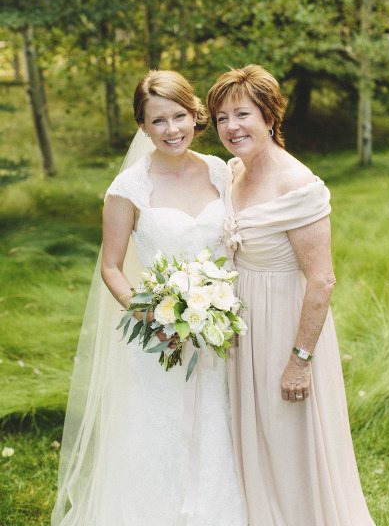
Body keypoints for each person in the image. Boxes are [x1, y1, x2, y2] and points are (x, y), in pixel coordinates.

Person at [52, 70, 247, 526]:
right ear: (142, 126)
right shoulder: (128, 189)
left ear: (195, 114)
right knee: (158, 435)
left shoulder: (220, 171)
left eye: (179, 116)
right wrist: (153, 318)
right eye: (158, 120)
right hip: (161, 340)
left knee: (217, 427)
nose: (171, 129)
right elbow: (111, 267)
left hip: (219, 335)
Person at [207, 64, 375, 526]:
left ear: (269, 116)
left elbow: (322, 279)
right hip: (243, 328)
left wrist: (300, 360)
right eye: (222, 118)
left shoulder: (297, 183)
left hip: (285, 327)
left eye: (242, 114)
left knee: (288, 439)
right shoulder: (235, 172)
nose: (232, 127)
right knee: (254, 435)